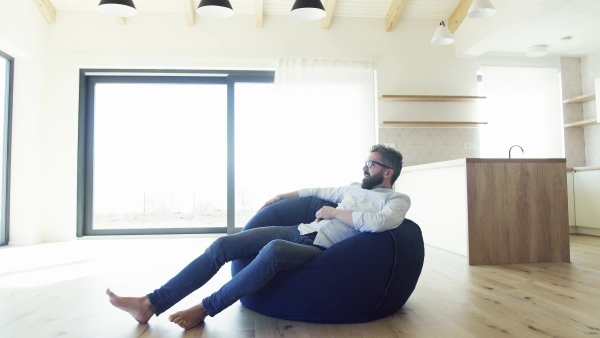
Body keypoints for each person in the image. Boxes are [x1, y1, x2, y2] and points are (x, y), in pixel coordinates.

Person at [106, 144, 411, 330]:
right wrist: (281, 195)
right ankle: (151, 302)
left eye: (370, 163)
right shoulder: (351, 188)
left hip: (320, 249)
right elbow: (314, 191)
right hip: (300, 230)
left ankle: (206, 307)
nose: (364, 166)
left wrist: (334, 214)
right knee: (225, 244)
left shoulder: (396, 200)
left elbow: (379, 224)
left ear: (388, 172)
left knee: (276, 250)